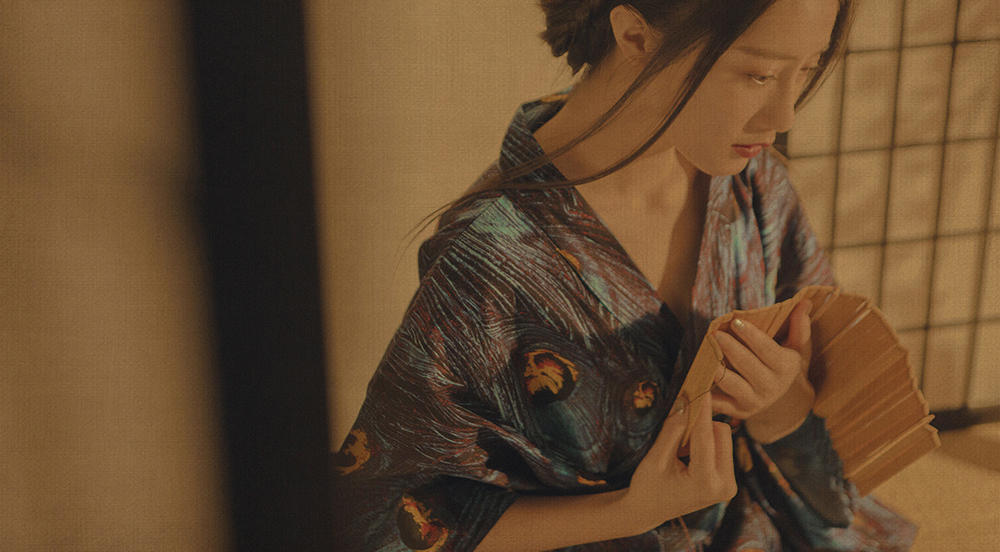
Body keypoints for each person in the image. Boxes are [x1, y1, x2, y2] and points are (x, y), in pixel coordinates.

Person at [332, 1, 918, 550]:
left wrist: (779, 407)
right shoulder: (489, 259)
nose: (785, 115)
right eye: (759, 75)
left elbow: (832, 398)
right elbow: (384, 517)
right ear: (636, 36)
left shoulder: (753, 184)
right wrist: (631, 511)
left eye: (807, 70)